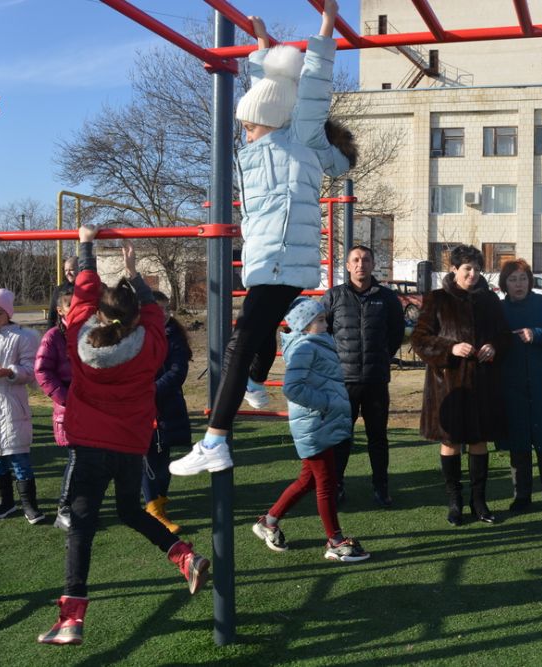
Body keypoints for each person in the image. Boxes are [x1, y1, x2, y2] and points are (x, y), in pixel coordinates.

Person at [171, 0, 355, 477]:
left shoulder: (300, 136)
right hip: (272, 260)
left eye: (250, 125)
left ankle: (215, 438)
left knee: (240, 341)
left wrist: (327, 25)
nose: (246, 132)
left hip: (279, 260)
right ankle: (252, 383)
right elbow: (272, 91)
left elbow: (312, 86)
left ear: (272, 123)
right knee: (255, 335)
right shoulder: (265, 141)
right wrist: (261, 51)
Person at [38, 226, 210, 646]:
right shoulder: (152, 342)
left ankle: (71, 618)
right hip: (131, 447)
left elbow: (82, 287)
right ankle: (185, 555)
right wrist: (133, 272)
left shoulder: (78, 331)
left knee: (81, 527)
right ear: (136, 317)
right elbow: (150, 307)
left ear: (98, 313)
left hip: (90, 447)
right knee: (131, 511)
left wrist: (85, 243)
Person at [251, 297, 370, 562]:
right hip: (314, 424)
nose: (326, 323)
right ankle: (335, 541)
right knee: (325, 483)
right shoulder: (305, 346)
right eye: (319, 320)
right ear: (304, 325)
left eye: (324, 318)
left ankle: (269, 521)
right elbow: (292, 388)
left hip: (320, 422)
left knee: (309, 479)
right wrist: (326, 404)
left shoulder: (316, 342)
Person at [411, 245, 510, 525]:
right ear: (454, 269)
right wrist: (450, 349)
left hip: (483, 384)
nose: (473, 274)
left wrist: (495, 347)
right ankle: (455, 503)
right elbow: (419, 339)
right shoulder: (437, 299)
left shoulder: (490, 301)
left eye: (477, 269)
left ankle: (479, 502)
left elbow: (505, 336)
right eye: (467, 269)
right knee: (451, 441)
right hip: (448, 387)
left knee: (479, 441)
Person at [321, 245, 405, 508]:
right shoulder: (334, 296)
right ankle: (337, 486)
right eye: (355, 260)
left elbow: (396, 334)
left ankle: (381, 488)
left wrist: (379, 356)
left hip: (376, 380)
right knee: (341, 437)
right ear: (347, 266)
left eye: (366, 259)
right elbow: (320, 332)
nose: (361, 264)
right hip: (343, 382)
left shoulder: (388, 298)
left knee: (377, 437)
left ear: (373, 264)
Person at [495, 259, 542, 518]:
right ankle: (522, 496)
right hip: (511, 385)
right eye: (513, 279)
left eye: (523, 278)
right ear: (504, 283)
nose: (519, 284)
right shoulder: (498, 309)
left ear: (530, 280)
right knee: (518, 445)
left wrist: (537, 334)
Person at [0, 288, 44, 524]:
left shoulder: (22, 337)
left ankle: (30, 505)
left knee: (19, 457)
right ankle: (6, 502)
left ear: (8, 312)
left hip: (12, 403)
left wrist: (9, 372)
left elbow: (31, 371)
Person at [142, 291, 193, 535]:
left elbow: (177, 371)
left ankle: (159, 501)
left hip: (167, 405)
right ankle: (153, 509)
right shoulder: (135, 335)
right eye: (157, 308)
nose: (162, 313)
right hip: (142, 409)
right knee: (149, 458)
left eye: (166, 308)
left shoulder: (174, 337)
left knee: (163, 457)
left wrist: (151, 390)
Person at [35, 286, 74, 530]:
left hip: (93, 407)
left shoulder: (89, 332)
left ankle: (79, 505)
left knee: (92, 460)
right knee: (77, 458)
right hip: (70, 407)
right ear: (60, 310)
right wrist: (66, 398)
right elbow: (42, 372)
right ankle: (64, 508)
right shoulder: (53, 336)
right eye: (71, 305)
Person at [47, 256, 78, 329]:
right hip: (63, 331)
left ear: (80, 269)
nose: (68, 273)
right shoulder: (59, 290)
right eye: (66, 270)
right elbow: (52, 315)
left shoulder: (88, 288)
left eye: (71, 270)